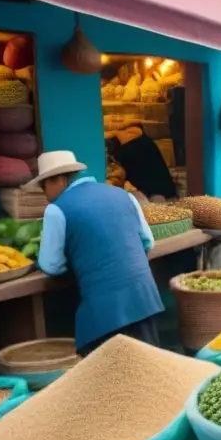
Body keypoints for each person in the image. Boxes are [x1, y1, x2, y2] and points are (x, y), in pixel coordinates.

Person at [30, 150, 163, 355]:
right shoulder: (124, 195)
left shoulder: (56, 210)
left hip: (105, 312)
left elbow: (51, 265)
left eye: (43, 186)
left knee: (111, 376)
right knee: (150, 366)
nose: (44, 194)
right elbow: (148, 242)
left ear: (60, 180)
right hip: (144, 298)